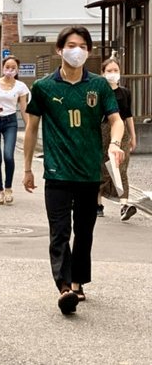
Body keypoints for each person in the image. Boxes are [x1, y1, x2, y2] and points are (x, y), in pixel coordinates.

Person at [23, 26, 124, 315]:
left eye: (82, 45)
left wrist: (115, 143)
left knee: (84, 231)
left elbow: (115, 120)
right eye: (70, 45)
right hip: (56, 172)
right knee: (59, 232)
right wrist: (28, 168)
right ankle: (65, 287)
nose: (76, 50)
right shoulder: (43, 87)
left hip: (89, 172)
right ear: (60, 49)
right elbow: (31, 129)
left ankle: (78, 281)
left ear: (89, 52)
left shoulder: (99, 86)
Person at [0, 56, 30, 205]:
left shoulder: (20, 86)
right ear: (2, 68)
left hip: (10, 121)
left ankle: (8, 188)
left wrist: (29, 127)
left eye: (13, 68)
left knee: (9, 155)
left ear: (17, 70)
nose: (9, 70)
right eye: (7, 67)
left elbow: (23, 108)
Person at [97, 58, 137, 220]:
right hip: (102, 131)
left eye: (115, 70)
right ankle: (98, 203)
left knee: (121, 168)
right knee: (102, 169)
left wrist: (133, 136)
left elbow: (128, 115)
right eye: (109, 71)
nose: (113, 74)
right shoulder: (99, 92)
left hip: (122, 134)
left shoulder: (124, 92)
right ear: (103, 73)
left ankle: (124, 205)